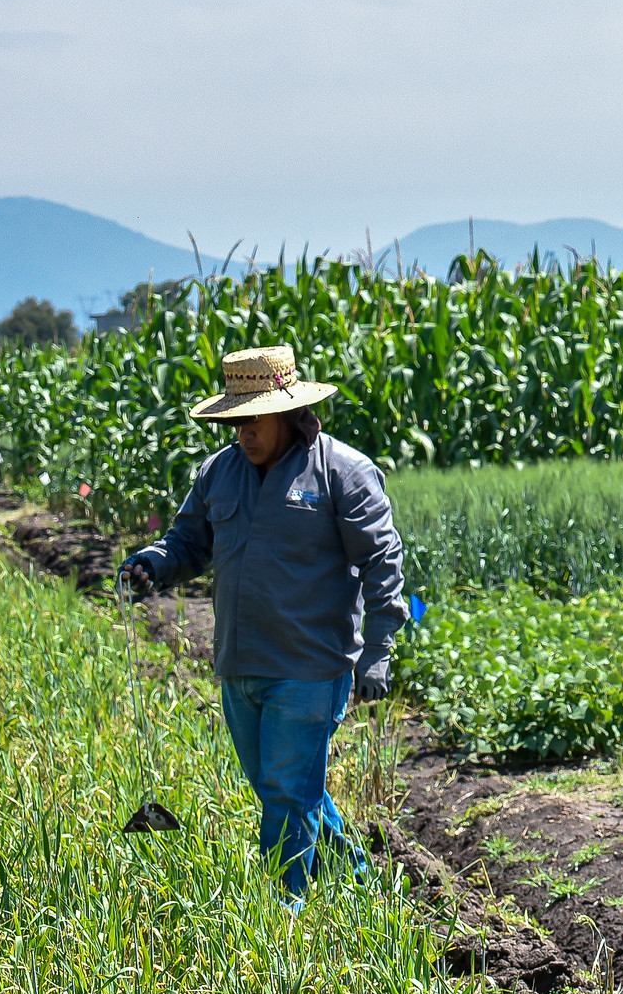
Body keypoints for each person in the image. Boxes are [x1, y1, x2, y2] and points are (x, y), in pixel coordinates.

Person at [121, 344, 408, 904]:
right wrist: (155, 563)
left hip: (310, 667)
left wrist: (378, 649)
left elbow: (383, 561)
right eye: (233, 421)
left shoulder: (341, 472)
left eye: (252, 420)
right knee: (288, 790)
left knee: (284, 793)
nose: (242, 433)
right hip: (238, 664)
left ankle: (286, 912)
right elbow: (188, 542)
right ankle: (357, 887)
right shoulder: (219, 474)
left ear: (287, 413)